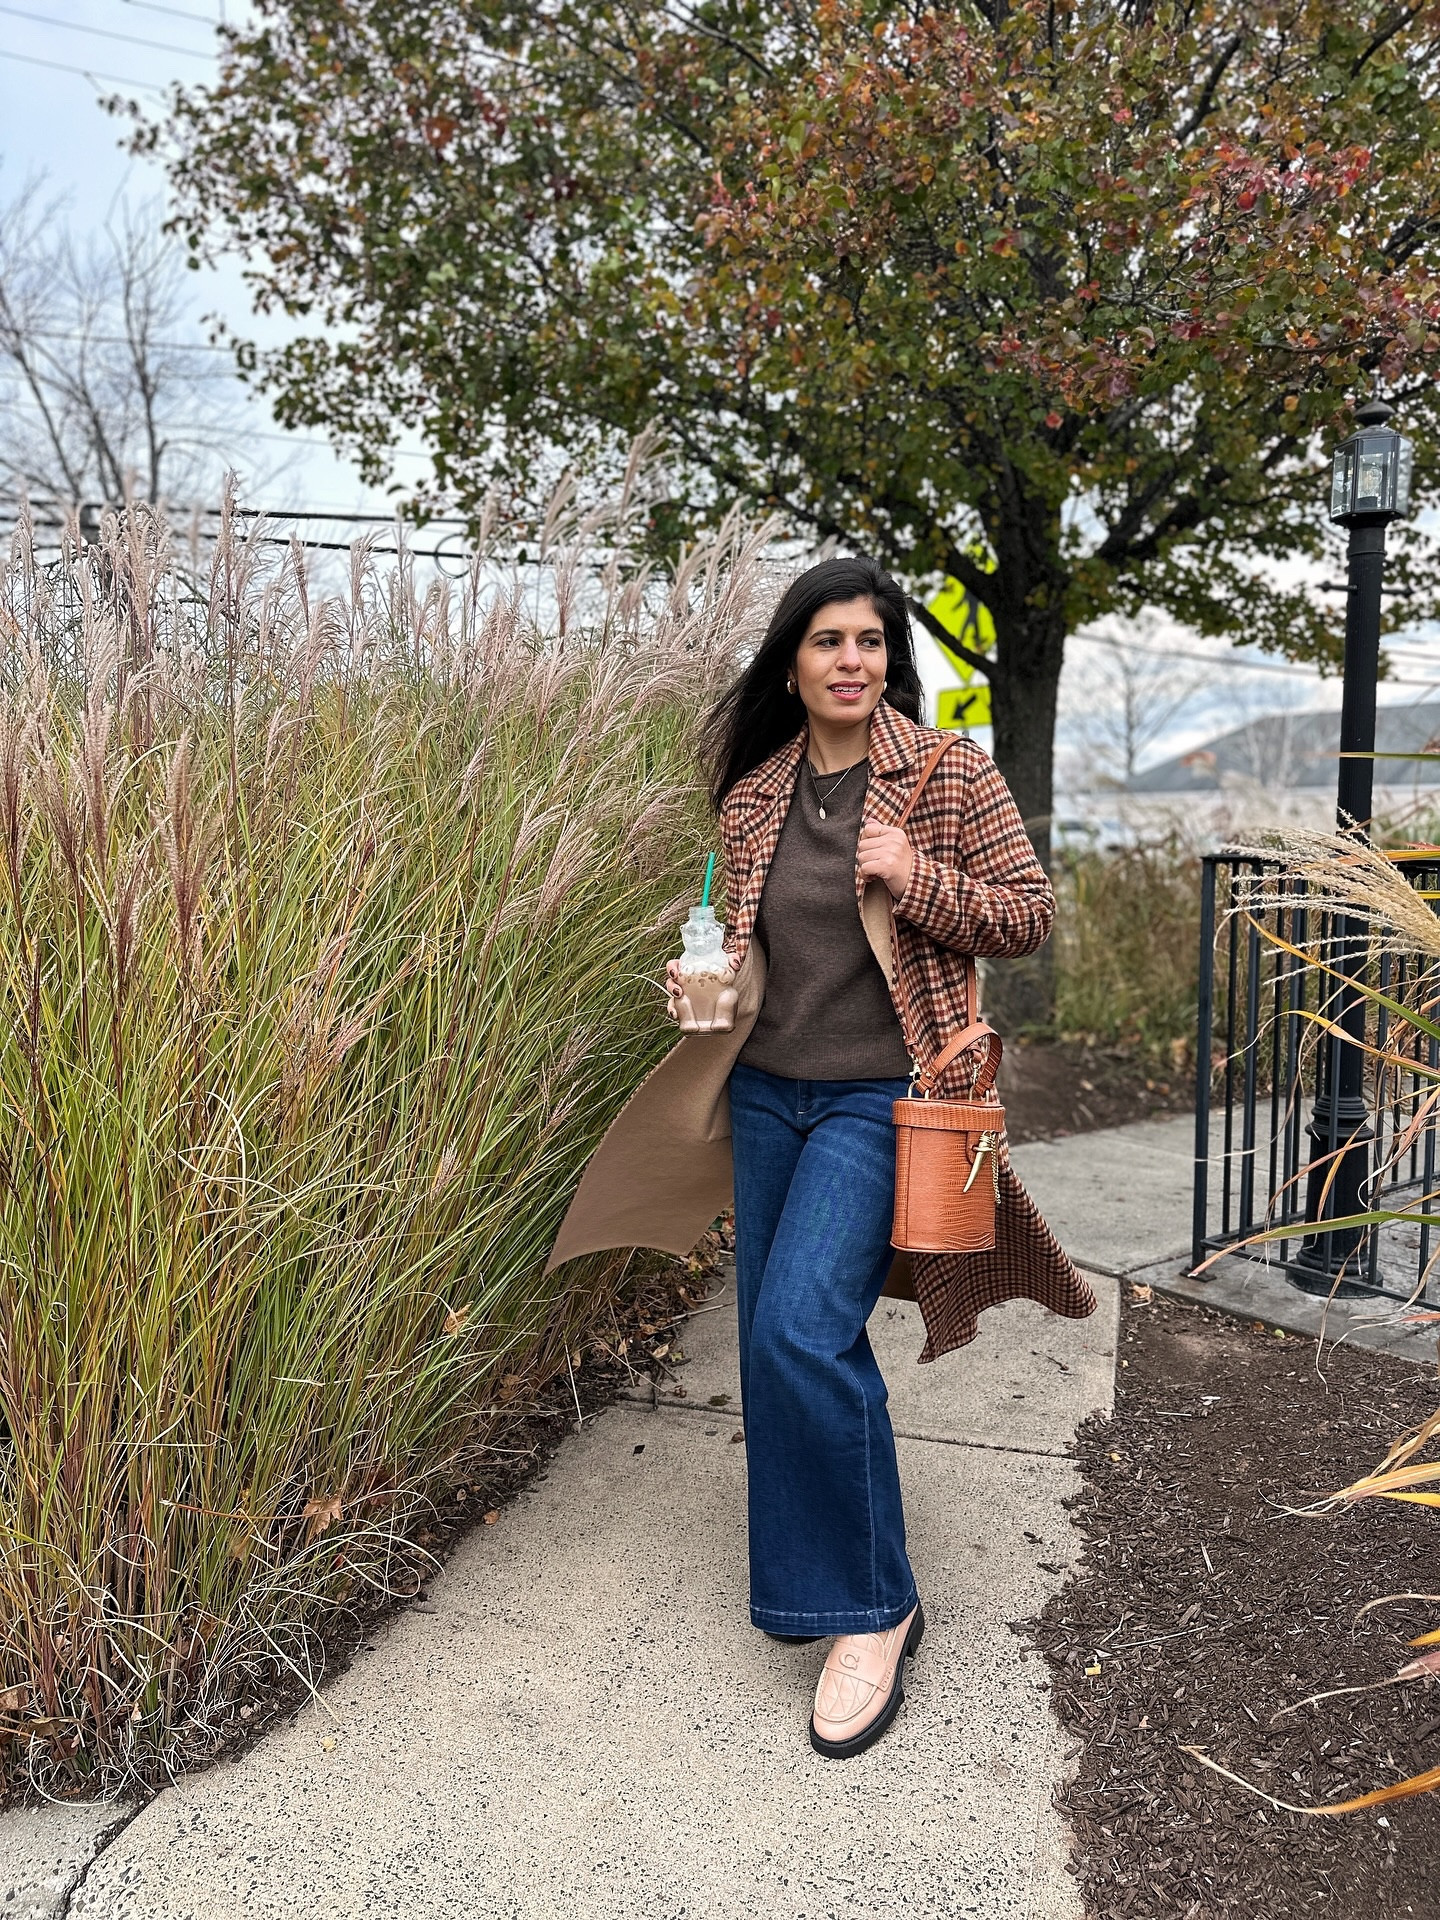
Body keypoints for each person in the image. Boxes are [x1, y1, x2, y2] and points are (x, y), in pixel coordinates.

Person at [547, 556, 1094, 1759]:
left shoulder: (947, 774)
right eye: (828, 641)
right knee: (774, 1345)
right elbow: (747, 951)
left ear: (891, 659)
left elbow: (1028, 915)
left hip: (879, 1098)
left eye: (871, 640)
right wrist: (706, 987)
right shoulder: (754, 796)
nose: (852, 660)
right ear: (791, 664)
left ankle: (873, 1608)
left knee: (802, 1327)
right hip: (763, 1099)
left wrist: (919, 875)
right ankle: (827, 1585)